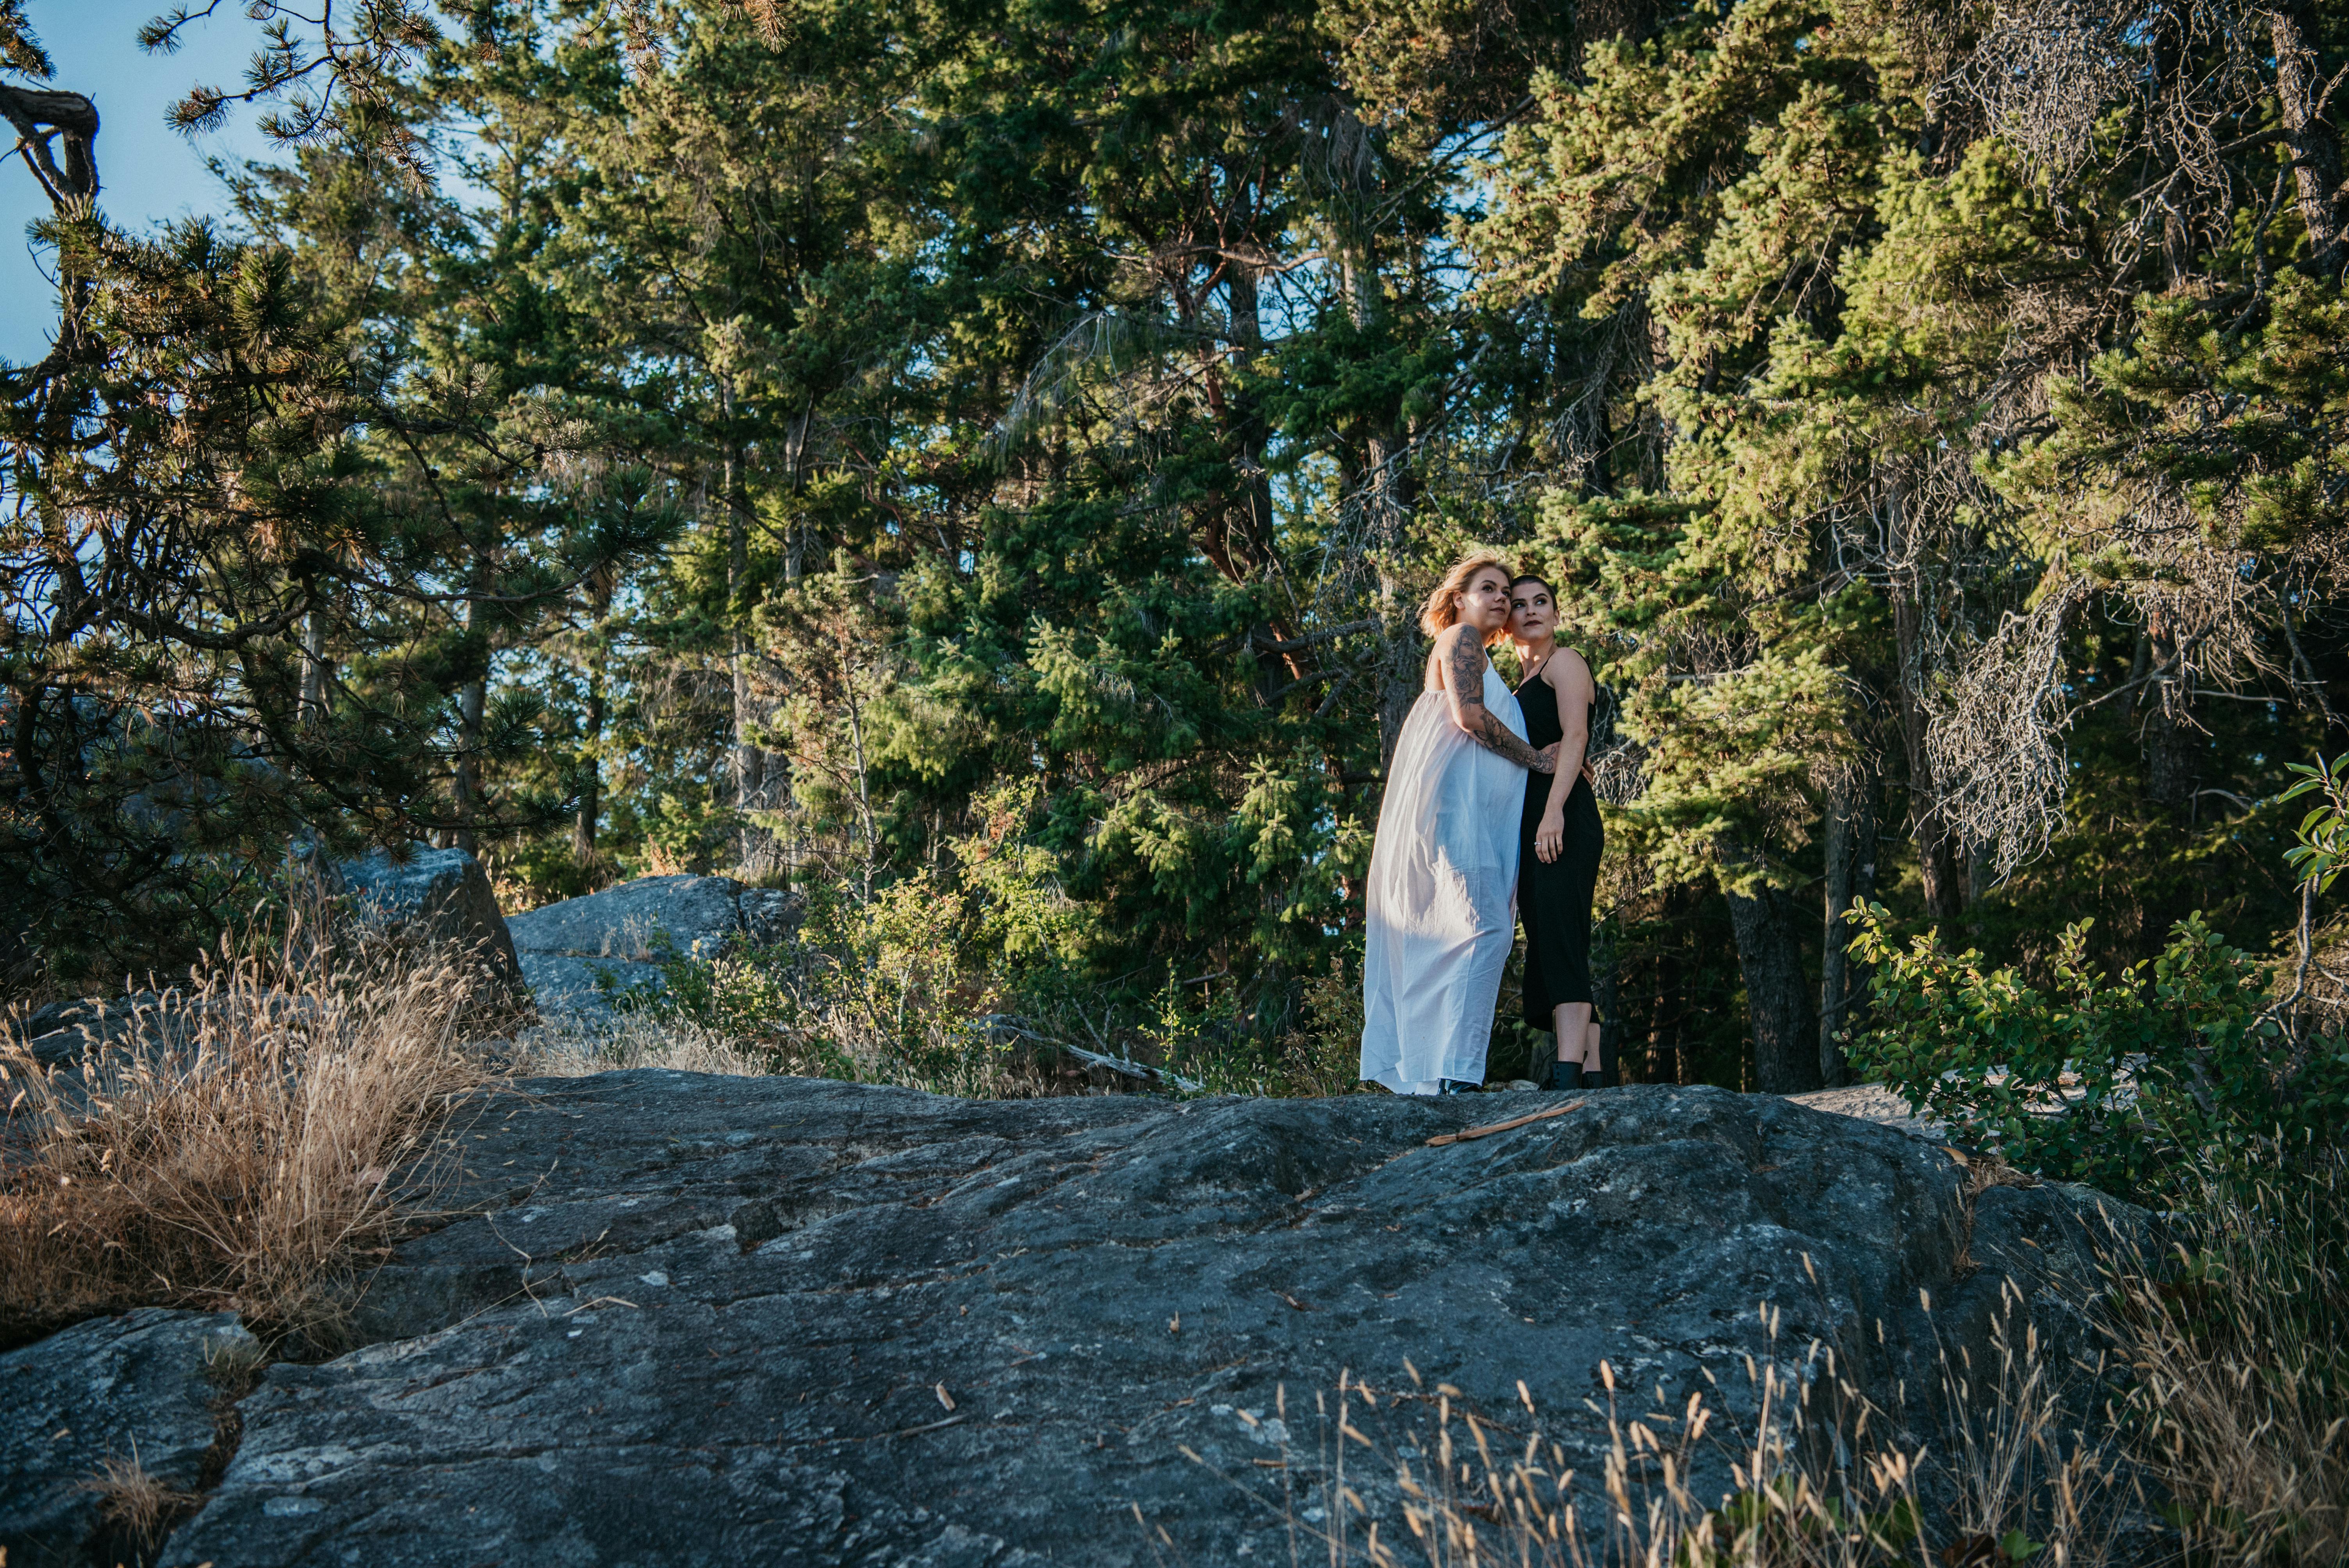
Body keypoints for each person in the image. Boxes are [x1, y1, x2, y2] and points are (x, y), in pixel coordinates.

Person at [1360, 552, 1559, 1095]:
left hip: (1476, 822)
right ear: (1458, 599)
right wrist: (1540, 759)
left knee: (1458, 933)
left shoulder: (1487, 659)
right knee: (1484, 929)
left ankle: (1441, 1073)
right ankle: (1455, 1074)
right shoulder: (1461, 640)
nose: (1502, 599)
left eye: (1507, 594)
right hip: (1451, 817)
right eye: (1490, 589)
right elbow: (1468, 717)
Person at [1506, 574, 1606, 1091]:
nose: (1530, 611)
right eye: (1519, 605)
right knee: (1549, 939)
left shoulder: (1564, 662)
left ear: (1557, 613)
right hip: (1533, 823)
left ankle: (1565, 1074)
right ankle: (1592, 1074)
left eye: (1540, 602)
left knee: (1564, 937)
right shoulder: (1515, 685)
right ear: (1507, 622)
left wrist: (1554, 811)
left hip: (1563, 818)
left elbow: (1577, 735)